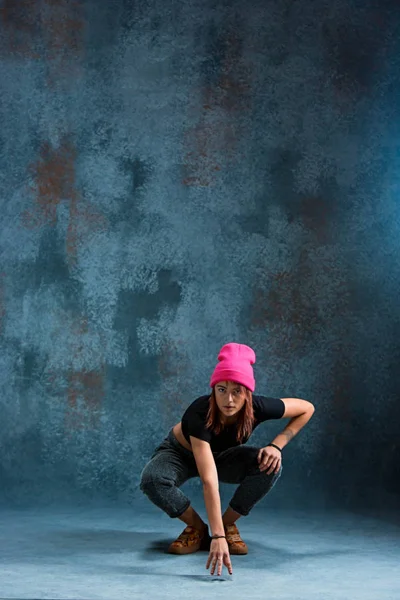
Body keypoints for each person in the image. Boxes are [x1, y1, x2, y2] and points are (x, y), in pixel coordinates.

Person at [140, 343, 315, 577]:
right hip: (179, 454)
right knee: (152, 479)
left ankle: (228, 523)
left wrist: (276, 445)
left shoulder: (258, 407)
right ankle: (199, 529)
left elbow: (307, 408)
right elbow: (209, 480)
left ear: (247, 393)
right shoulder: (199, 413)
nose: (228, 399)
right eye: (221, 390)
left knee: (269, 466)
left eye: (237, 391)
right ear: (214, 390)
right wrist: (216, 536)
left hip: (221, 456)